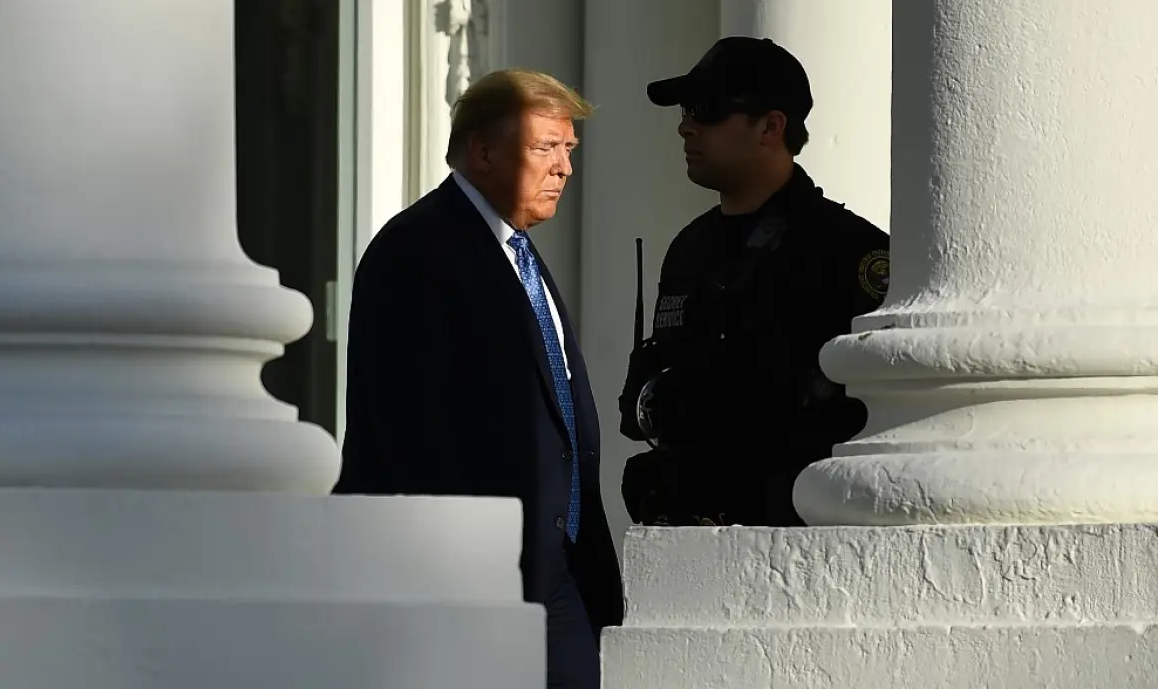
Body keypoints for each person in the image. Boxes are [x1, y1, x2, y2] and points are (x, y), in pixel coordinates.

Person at [337, 68, 623, 689]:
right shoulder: (416, 250)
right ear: (483, 151)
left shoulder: (516, 251)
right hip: (465, 578)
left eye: (568, 149)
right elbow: (404, 429)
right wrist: (458, 571)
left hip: (556, 571)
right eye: (544, 147)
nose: (564, 169)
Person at [618, 36, 890, 528]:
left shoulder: (847, 250)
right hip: (689, 525)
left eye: (708, 110)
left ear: (771, 126)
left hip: (796, 530)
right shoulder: (690, 248)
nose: (685, 127)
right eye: (685, 110)